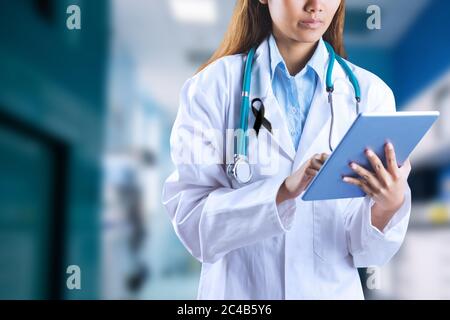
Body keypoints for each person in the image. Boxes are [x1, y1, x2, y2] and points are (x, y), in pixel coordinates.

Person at [162, 0, 412, 299]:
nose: (315, 6)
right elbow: (193, 225)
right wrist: (281, 192)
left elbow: (366, 253)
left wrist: (388, 205)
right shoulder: (212, 87)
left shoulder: (371, 95)